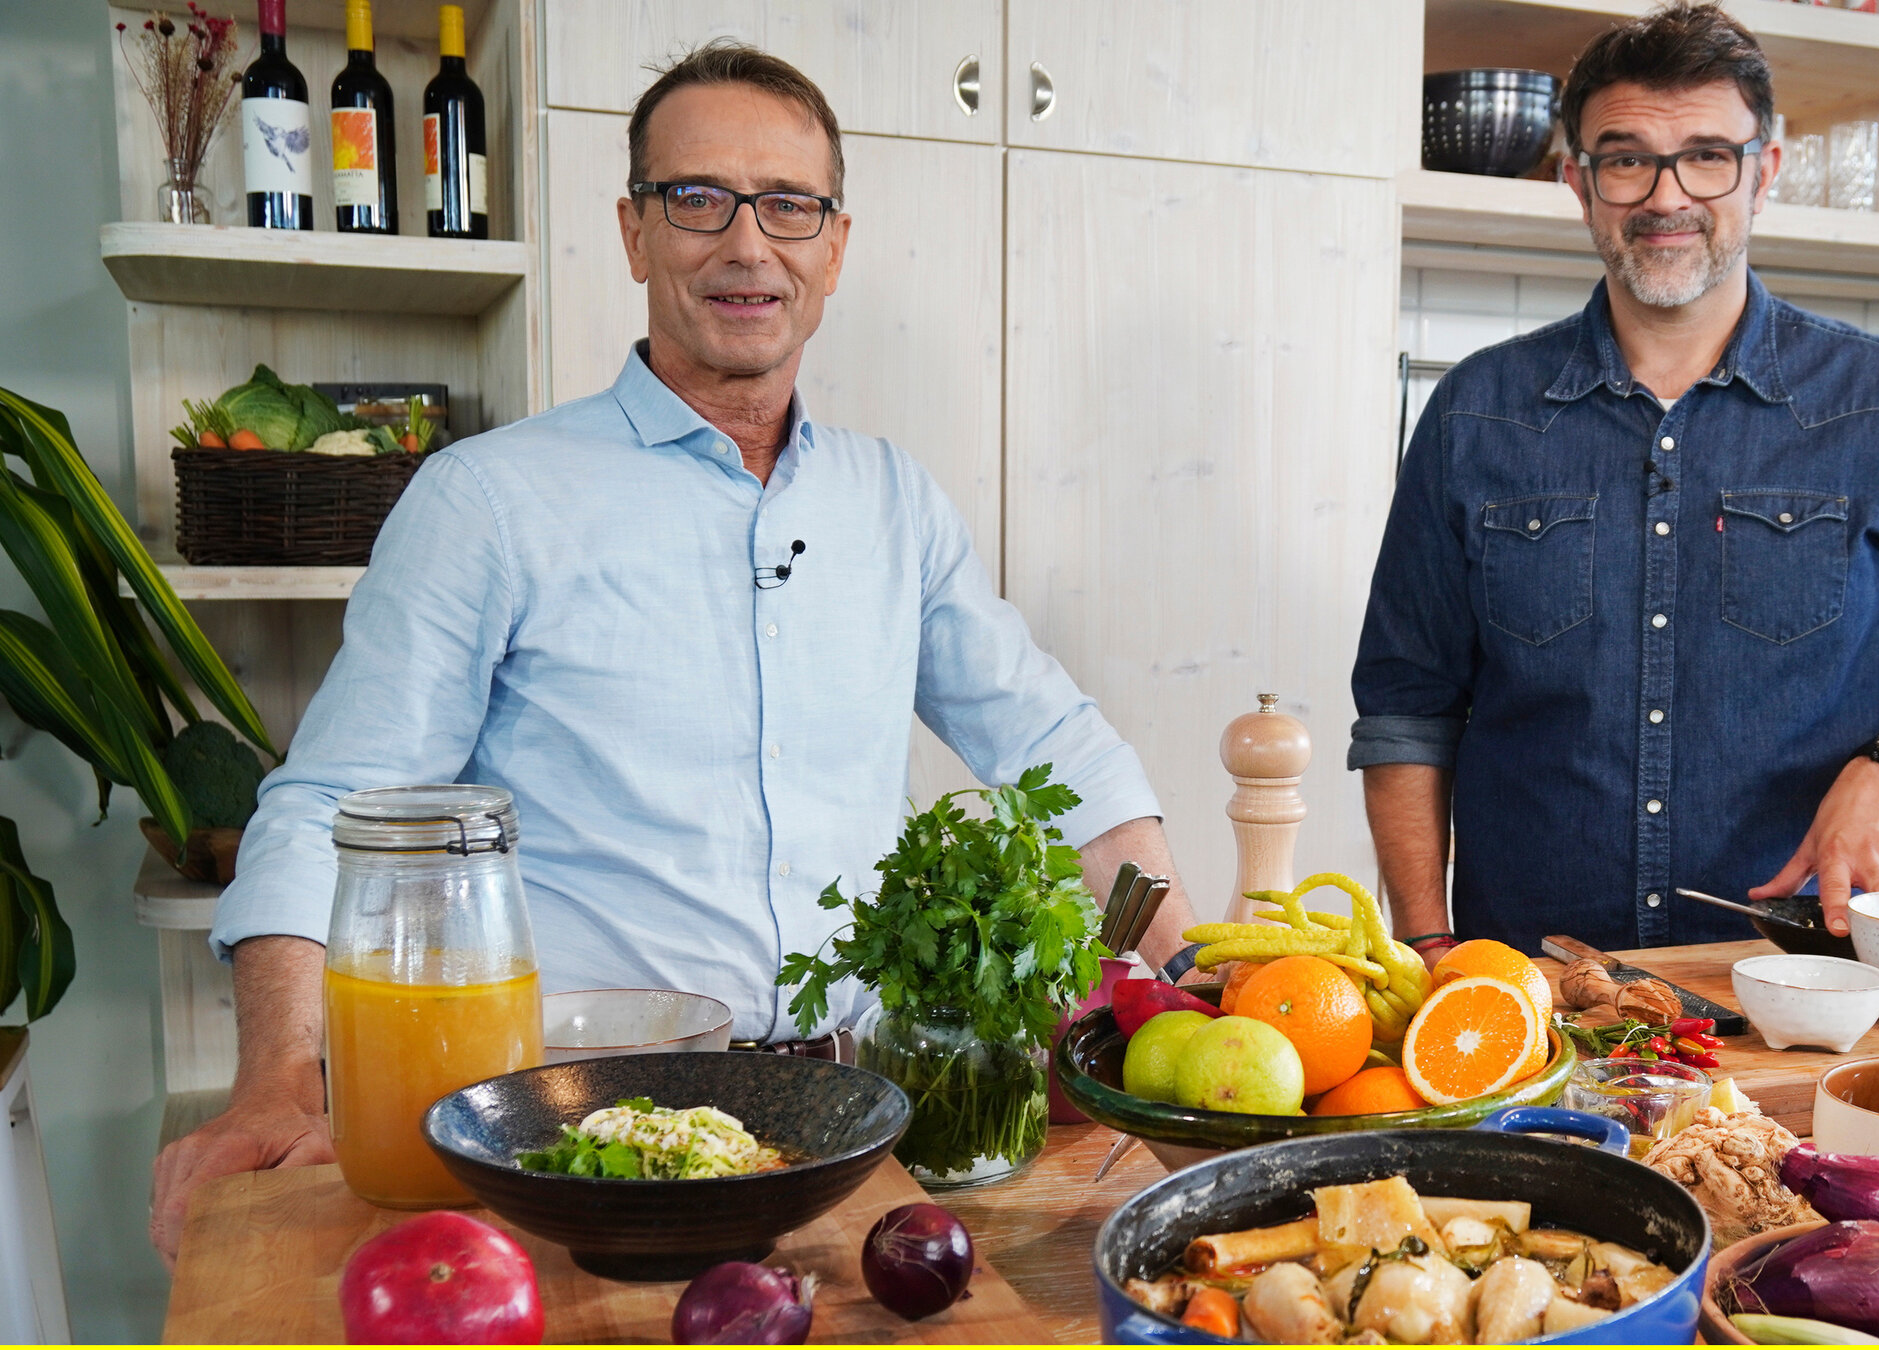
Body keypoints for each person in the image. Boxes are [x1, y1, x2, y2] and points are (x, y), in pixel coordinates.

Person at [148, 43, 1199, 1260]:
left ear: (834, 247)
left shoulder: (893, 503)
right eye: (698, 199)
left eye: (788, 205)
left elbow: (1055, 747)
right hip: (584, 1138)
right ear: (634, 232)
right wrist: (278, 1084)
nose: (747, 245)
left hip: (859, 1129)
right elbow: (337, 805)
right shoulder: (487, 501)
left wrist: (1185, 982)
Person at [1349, 2, 1879, 966]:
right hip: (1535, 983)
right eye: (1626, 159)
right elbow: (1405, 713)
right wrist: (1424, 944)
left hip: (1799, 977)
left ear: (1764, 171)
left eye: (1707, 155)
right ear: (1577, 183)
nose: (1665, 195)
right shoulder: (1476, 412)